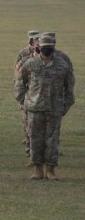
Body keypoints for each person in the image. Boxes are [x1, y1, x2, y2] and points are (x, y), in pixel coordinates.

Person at [15, 34, 75, 180]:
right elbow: (20, 85)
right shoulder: (30, 64)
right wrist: (24, 103)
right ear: (38, 47)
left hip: (54, 109)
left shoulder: (62, 65)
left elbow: (69, 88)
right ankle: (37, 169)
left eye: (49, 47)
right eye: (44, 47)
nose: (46, 49)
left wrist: (65, 106)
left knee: (52, 140)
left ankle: (50, 170)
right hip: (34, 108)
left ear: (54, 47)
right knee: (35, 139)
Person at [14, 31, 40, 158]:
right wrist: (21, 97)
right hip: (28, 95)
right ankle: (30, 147)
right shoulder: (24, 56)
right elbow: (18, 71)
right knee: (28, 121)